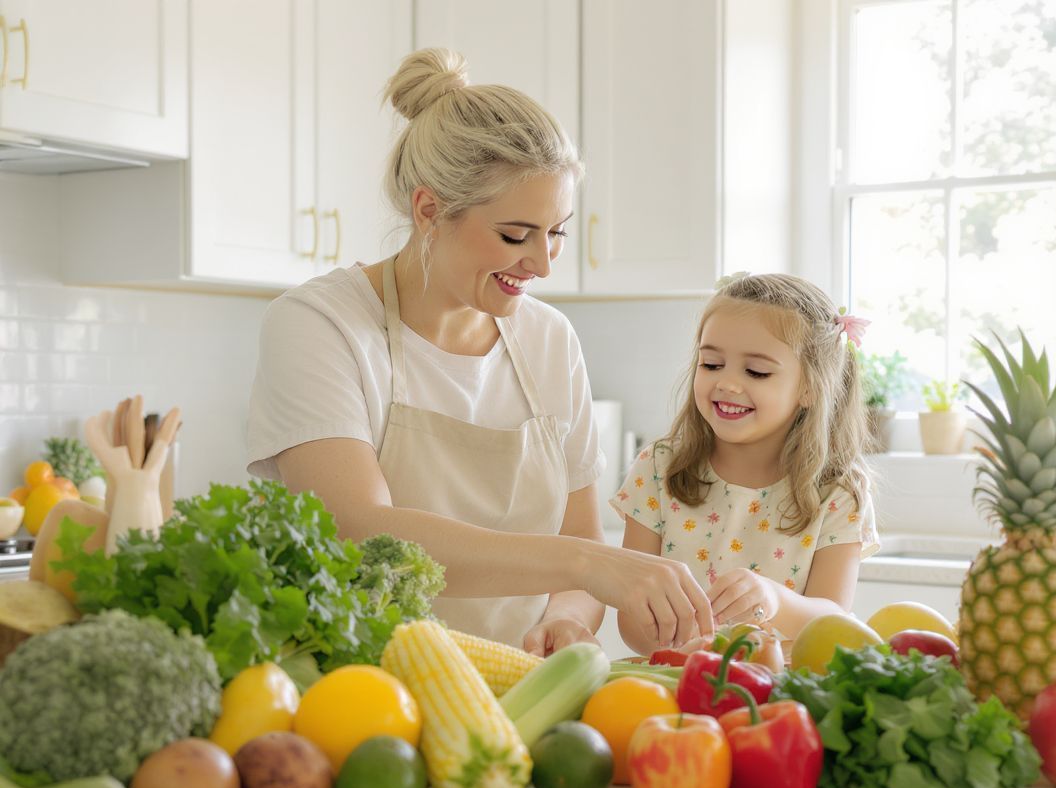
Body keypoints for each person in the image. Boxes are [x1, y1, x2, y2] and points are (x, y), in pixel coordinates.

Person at [246, 48, 714, 656]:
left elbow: (579, 544)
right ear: (429, 210)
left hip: (519, 684)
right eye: (516, 235)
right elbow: (357, 531)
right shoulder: (321, 324)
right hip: (364, 684)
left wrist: (568, 617)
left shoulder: (550, 340)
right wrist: (585, 563)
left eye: (557, 233)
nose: (542, 263)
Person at [611, 272, 880, 656]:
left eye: (756, 372)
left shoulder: (838, 491)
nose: (727, 384)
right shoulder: (658, 469)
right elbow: (631, 619)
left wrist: (775, 599)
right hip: (677, 680)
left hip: (784, 686)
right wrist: (686, 648)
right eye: (711, 364)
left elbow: (834, 622)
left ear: (809, 387)